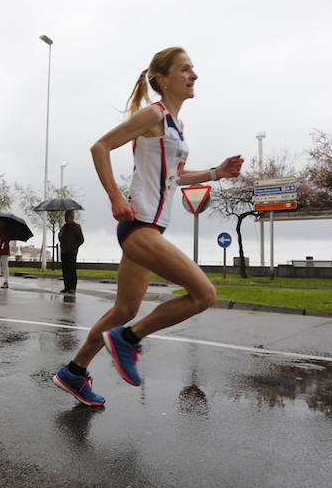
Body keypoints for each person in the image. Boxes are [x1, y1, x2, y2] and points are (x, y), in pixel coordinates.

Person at [53, 47, 244, 406]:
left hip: (151, 229)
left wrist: (217, 173)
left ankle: (74, 372)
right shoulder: (152, 115)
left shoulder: (176, 125)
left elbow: (176, 176)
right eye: (185, 69)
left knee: (124, 310)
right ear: (162, 79)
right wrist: (114, 197)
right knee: (204, 295)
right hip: (138, 225)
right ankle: (129, 339)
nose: (194, 75)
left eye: (193, 69)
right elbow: (100, 147)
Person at [58, 210, 84, 294]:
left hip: (72, 252)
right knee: (65, 271)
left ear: (72, 217)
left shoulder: (77, 227)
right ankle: (66, 287)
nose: (67, 219)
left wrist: (74, 247)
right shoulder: (64, 227)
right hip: (64, 252)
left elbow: (81, 240)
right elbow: (61, 239)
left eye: (68, 217)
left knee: (72, 270)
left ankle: (72, 288)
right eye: (66, 217)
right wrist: (59, 236)